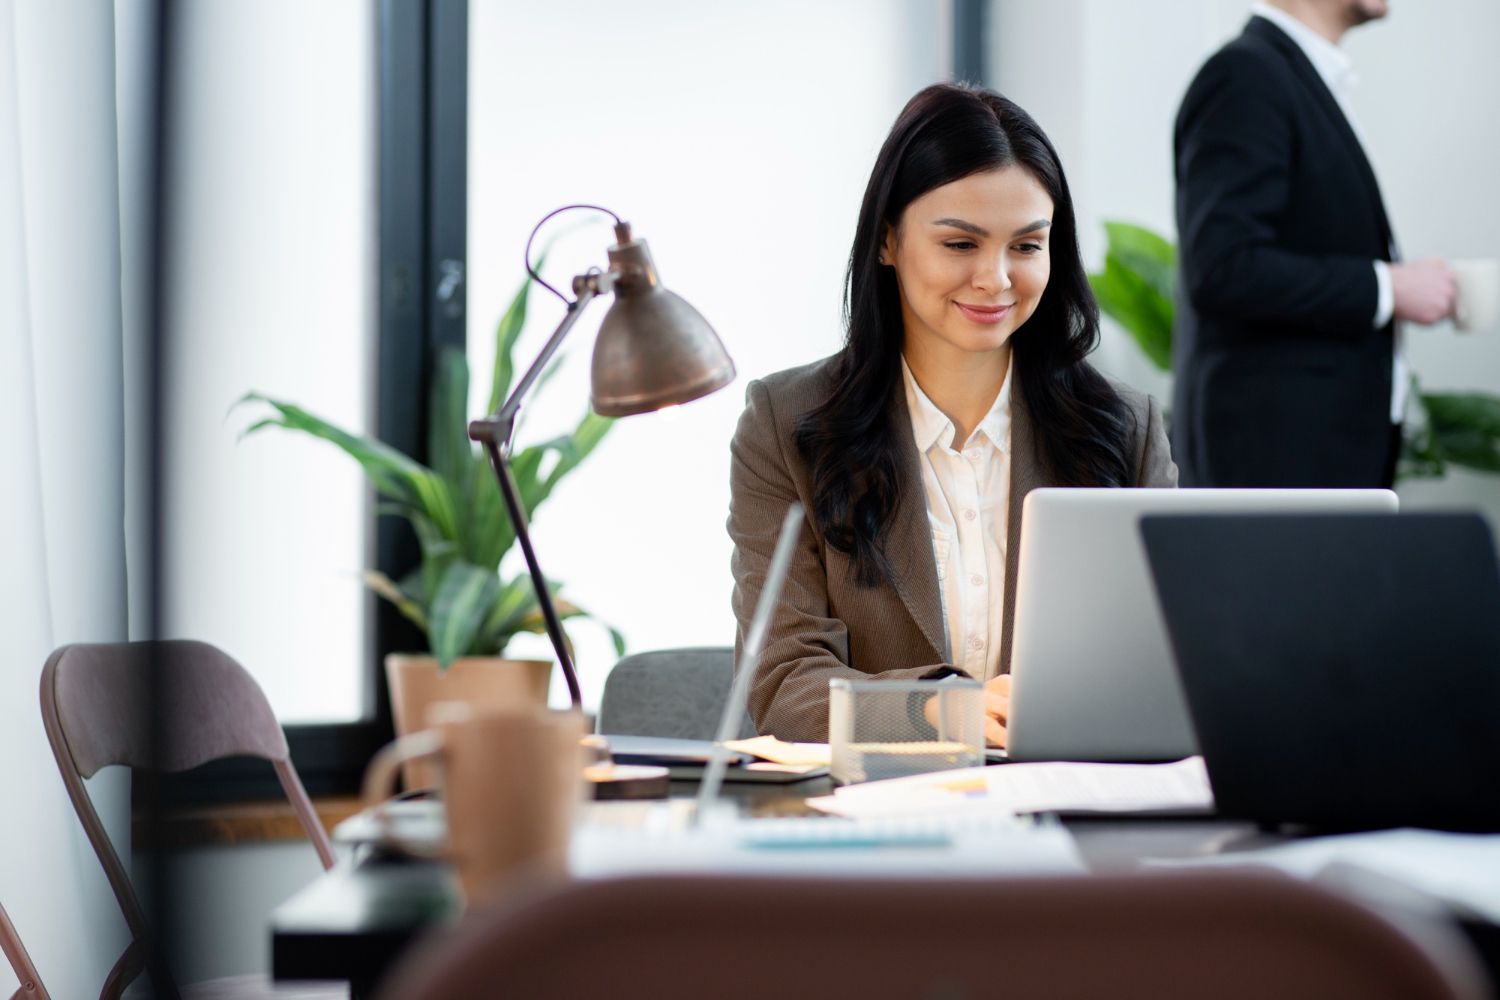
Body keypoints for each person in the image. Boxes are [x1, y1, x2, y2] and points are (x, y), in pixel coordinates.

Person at [727, 84, 1177, 746]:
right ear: (888, 242)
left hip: (1070, 808)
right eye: (961, 244)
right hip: (876, 822)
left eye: (1026, 246)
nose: (996, 278)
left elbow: (1165, 661)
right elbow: (782, 684)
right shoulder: (787, 423)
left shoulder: (1124, 426)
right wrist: (942, 712)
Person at [1172, 0, 1456, 488]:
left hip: (1313, 457)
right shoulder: (1245, 75)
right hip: (1273, 466)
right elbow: (1223, 267)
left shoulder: (1290, 76)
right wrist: (1387, 288)